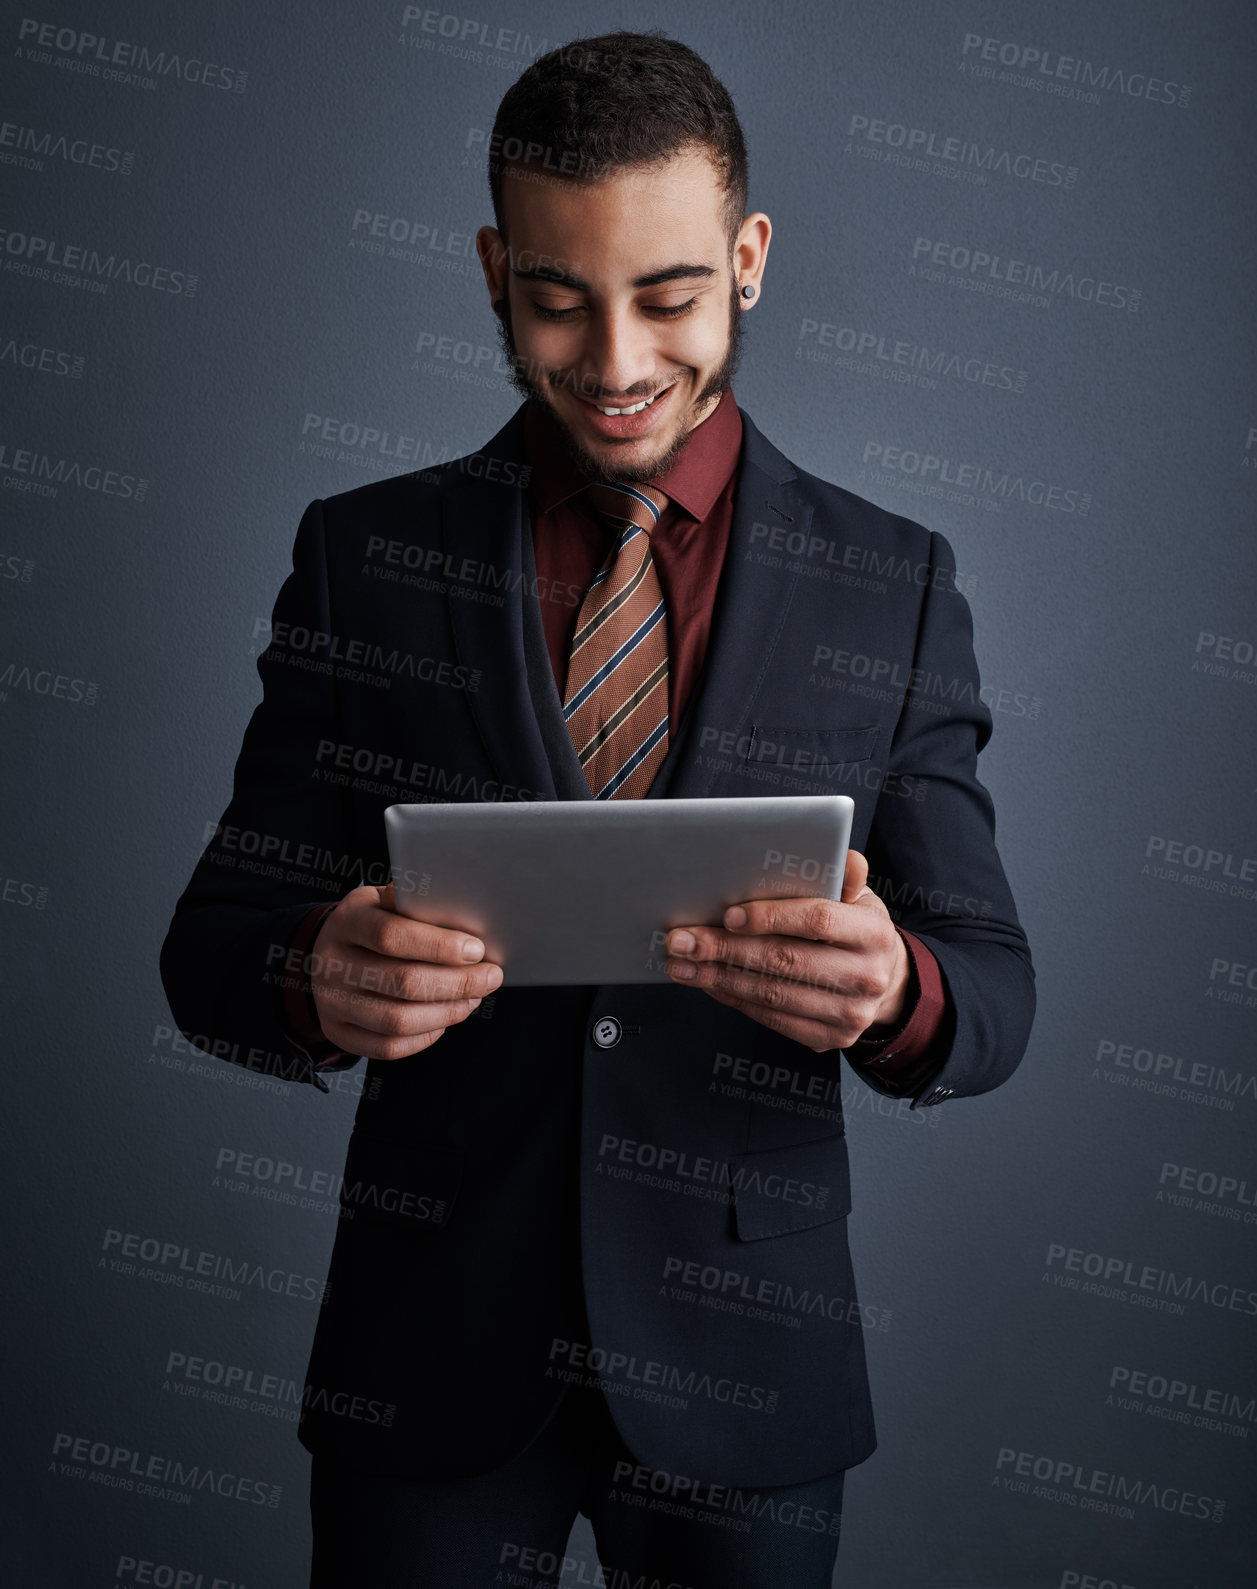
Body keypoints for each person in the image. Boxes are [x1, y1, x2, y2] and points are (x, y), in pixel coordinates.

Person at [160, 29, 1035, 1588]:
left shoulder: (889, 581)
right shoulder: (364, 554)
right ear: (495, 266)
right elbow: (213, 945)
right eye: (557, 297)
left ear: (748, 258)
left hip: (746, 1370)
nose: (617, 361)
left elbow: (994, 988)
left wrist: (900, 990)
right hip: (426, 1352)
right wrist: (317, 968)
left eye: (671, 296)